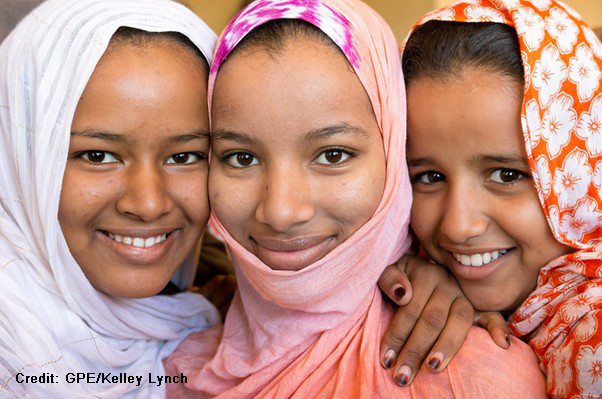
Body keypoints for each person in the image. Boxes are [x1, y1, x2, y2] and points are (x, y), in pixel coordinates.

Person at [165, 0, 547, 397]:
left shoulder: (479, 379)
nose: (280, 212)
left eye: (333, 155)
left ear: (395, 158)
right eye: (241, 158)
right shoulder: (162, 363)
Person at [0, 0, 220, 396]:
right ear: (21, 159)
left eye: (184, 157)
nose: (149, 203)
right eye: (97, 155)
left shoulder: (217, 312)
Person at [401, 0, 602, 397]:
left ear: (580, 174)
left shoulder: (590, 336)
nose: (458, 225)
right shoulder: (408, 282)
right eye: (429, 176)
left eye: (507, 175)